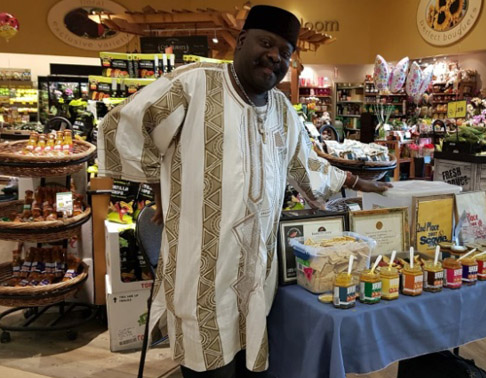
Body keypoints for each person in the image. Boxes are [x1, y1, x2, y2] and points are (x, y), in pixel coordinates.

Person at [97, 5, 390, 378]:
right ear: (240, 41)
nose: (275, 56)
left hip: (256, 277)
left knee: (251, 365)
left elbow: (305, 166)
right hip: (201, 277)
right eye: (266, 43)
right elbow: (122, 127)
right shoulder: (194, 84)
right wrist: (159, 189)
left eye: (285, 52)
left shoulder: (283, 109)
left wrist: (355, 181)